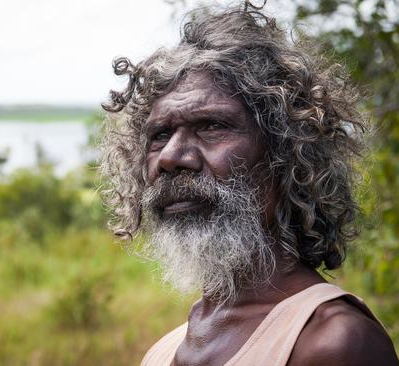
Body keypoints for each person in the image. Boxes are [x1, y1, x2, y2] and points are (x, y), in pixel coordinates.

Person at [99, 4, 399, 366]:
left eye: (211, 126)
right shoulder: (164, 349)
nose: (171, 157)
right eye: (160, 135)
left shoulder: (333, 343)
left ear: (286, 150)